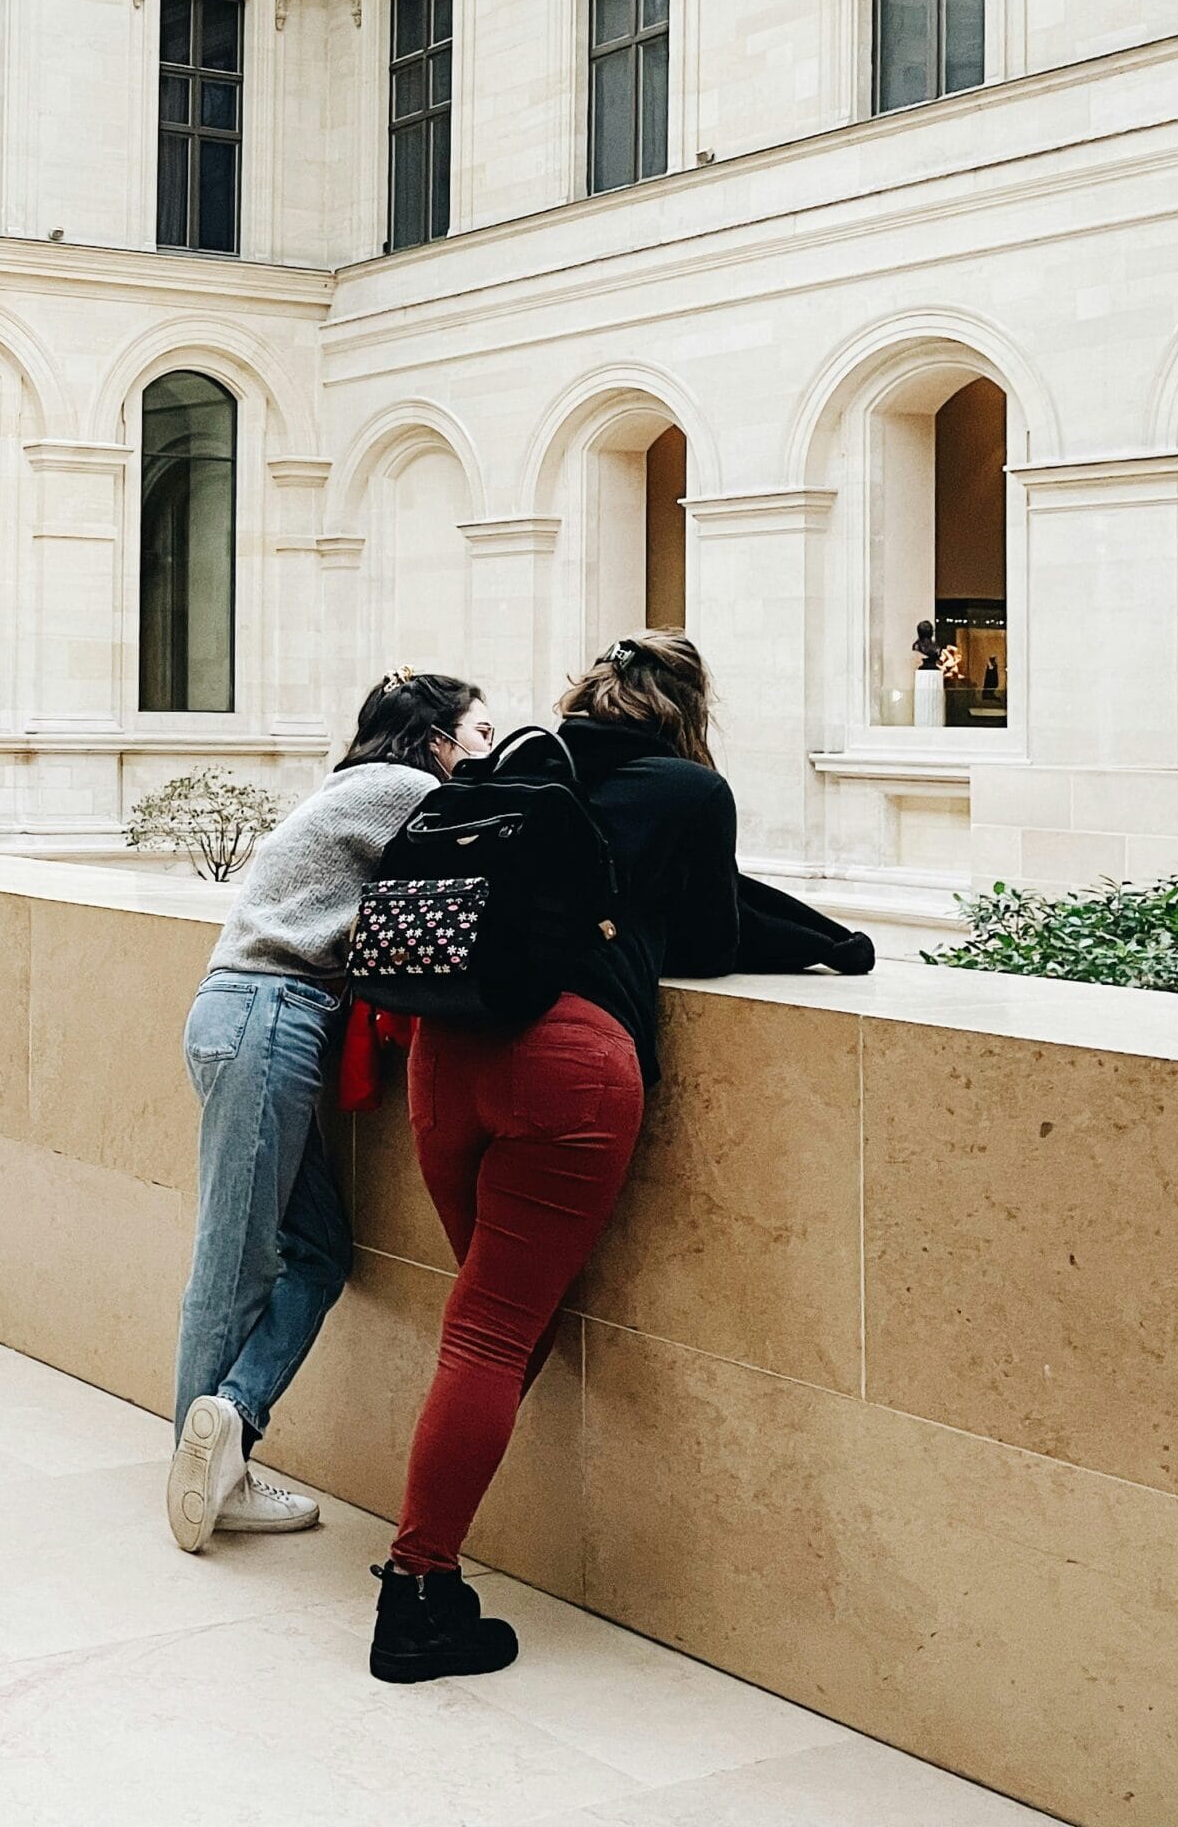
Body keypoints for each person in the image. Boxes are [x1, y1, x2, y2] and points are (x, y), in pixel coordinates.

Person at [371, 631, 736, 1684]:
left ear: (582, 695)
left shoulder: (504, 766)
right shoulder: (686, 791)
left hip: (443, 1055)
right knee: (491, 1336)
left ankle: (426, 1553)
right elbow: (708, 943)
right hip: (567, 1065)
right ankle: (416, 1591)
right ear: (685, 709)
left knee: (485, 1329)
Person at [166, 669, 493, 1554]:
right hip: (271, 1012)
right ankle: (196, 1471)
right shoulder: (411, 789)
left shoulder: (351, 784)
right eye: (480, 734)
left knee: (316, 1255)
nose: (484, 754)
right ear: (437, 740)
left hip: (245, 1013)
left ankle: (227, 1422)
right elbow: (487, 866)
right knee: (235, 1255)